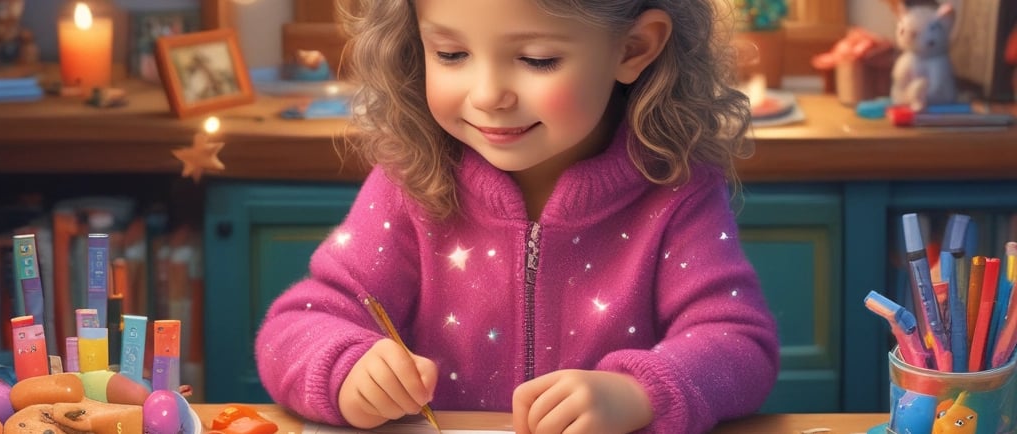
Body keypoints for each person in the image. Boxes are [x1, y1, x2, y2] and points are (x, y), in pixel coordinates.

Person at [254, 0, 779, 432]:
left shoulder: (676, 190)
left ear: (634, 48)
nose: (487, 96)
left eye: (537, 58)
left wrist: (640, 391)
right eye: (452, 52)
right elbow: (295, 327)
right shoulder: (408, 183)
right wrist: (348, 368)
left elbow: (738, 344)